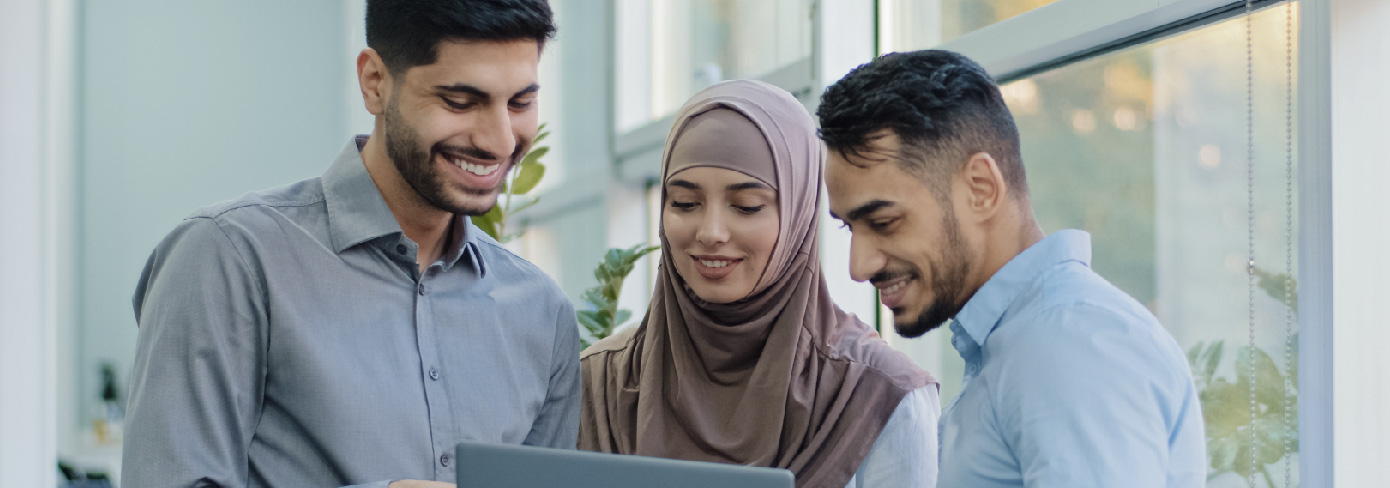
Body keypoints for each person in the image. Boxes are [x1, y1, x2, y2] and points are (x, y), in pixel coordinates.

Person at [123, 1, 577, 487]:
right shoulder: (228, 260)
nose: (500, 141)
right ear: (375, 82)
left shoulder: (542, 314)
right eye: (460, 102)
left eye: (520, 103)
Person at [816, 50, 1206, 487]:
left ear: (980, 189)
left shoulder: (1069, 344)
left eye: (884, 222)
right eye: (850, 227)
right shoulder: (1022, 343)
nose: (858, 265)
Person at [578, 80, 940, 488]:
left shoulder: (877, 394)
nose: (711, 231)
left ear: (800, 213)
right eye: (684, 203)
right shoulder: (598, 383)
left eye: (747, 206)